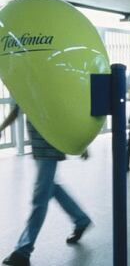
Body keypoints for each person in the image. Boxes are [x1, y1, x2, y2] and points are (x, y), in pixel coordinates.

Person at [2, 106, 91, 266]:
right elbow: (17, 109)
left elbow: (64, 113)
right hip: (39, 147)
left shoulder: (42, 83)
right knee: (52, 189)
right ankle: (81, 219)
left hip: (50, 148)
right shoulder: (27, 85)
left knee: (40, 199)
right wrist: (1, 127)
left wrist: (81, 144)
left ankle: (23, 250)